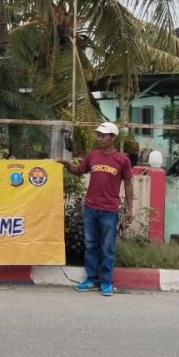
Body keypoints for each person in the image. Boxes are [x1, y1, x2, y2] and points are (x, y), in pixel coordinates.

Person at [61, 121, 133, 297]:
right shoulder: (92, 156)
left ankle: (106, 282)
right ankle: (92, 279)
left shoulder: (122, 160)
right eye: (98, 135)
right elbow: (79, 171)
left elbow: (129, 184)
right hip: (91, 208)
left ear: (113, 137)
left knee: (107, 248)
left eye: (103, 135)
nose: (99, 138)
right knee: (91, 245)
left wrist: (130, 208)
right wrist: (66, 165)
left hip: (110, 210)